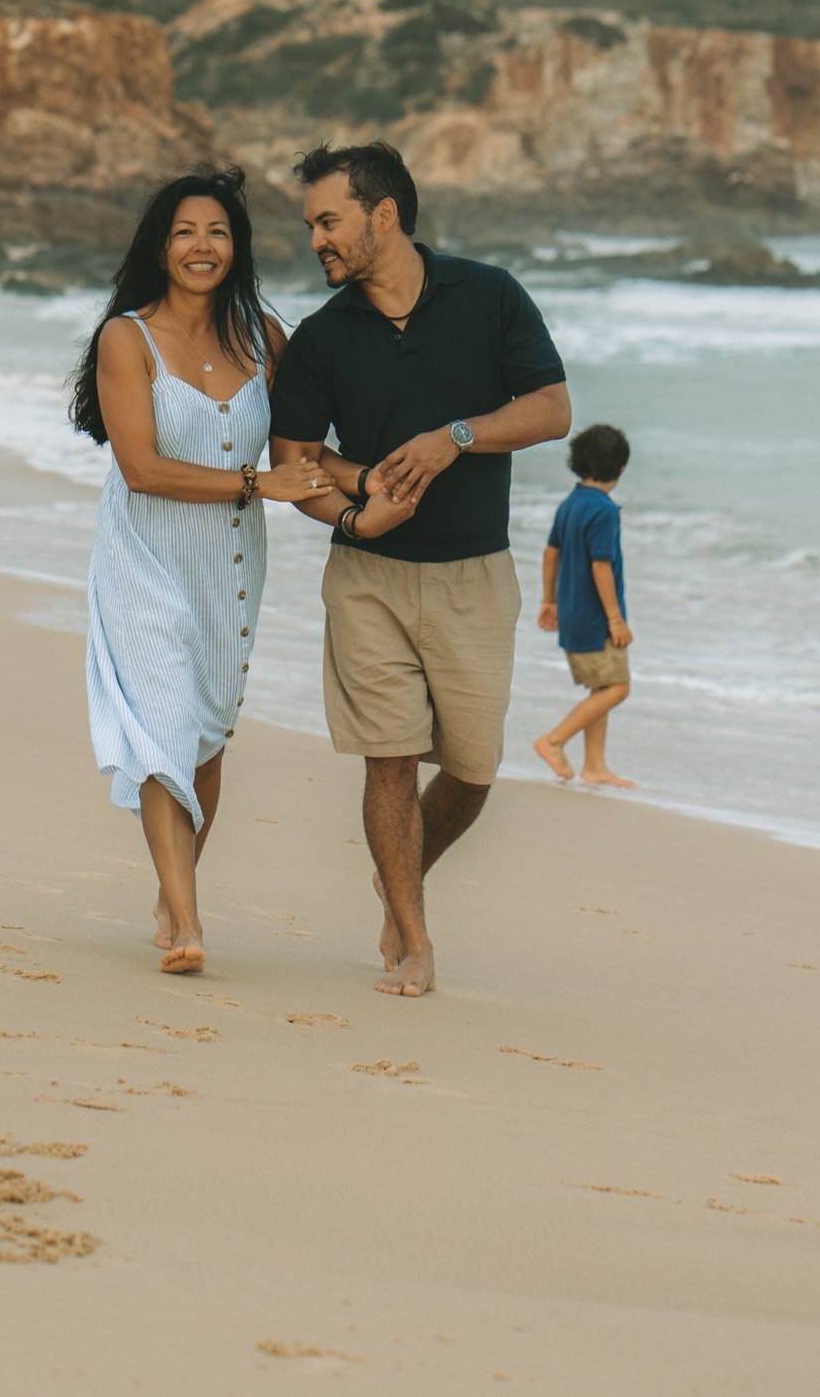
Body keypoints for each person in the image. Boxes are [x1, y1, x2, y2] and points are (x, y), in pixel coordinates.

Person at [269, 142, 571, 999]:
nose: (317, 240)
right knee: (390, 760)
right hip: (368, 576)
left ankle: (398, 876)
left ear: (384, 215)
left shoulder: (490, 295)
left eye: (329, 221)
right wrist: (359, 508)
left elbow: (552, 409)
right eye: (311, 225)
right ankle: (412, 935)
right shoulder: (323, 340)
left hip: (474, 574)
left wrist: (457, 437)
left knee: (472, 770)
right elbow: (294, 463)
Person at [73, 167, 392, 976]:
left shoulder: (264, 336)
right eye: (185, 232)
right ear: (160, 245)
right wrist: (259, 484)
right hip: (144, 551)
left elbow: (299, 456)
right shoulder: (126, 338)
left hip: (231, 558)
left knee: (208, 734)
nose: (202, 246)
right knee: (163, 725)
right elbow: (142, 469)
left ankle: (171, 889)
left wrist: (373, 479)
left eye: (217, 232)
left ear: (237, 247)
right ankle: (185, 919)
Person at [534, 424, 636, 788]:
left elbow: (550, 552)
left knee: (601, 686)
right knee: (618, 688)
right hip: (596, 619)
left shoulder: (571, 503)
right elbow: (601, 566)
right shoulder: (604, 510)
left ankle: (595, 766)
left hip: (573, 612)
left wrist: (548, 600)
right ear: (620, 468)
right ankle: (554, 740)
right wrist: (616, 619)